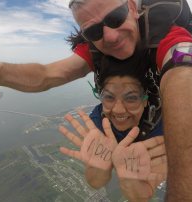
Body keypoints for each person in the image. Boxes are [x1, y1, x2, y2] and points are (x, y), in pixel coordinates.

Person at [0, 0, 192, 200]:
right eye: (94, 31)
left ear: (132, 6)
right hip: (135, 110)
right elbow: (48, 75)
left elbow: (187, 68)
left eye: (116, 16)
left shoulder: (169, 34)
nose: (109, 35)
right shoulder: (94, 52)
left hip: (157, 105)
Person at [59, 53, 167, 201]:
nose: (118, 109)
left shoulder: (161, 129)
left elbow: (143, 196)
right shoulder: (99, 122)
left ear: (145, 101)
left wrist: (131, 180)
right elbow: (95, 182)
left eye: (131, 98)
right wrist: (98, 167)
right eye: (109, 97)